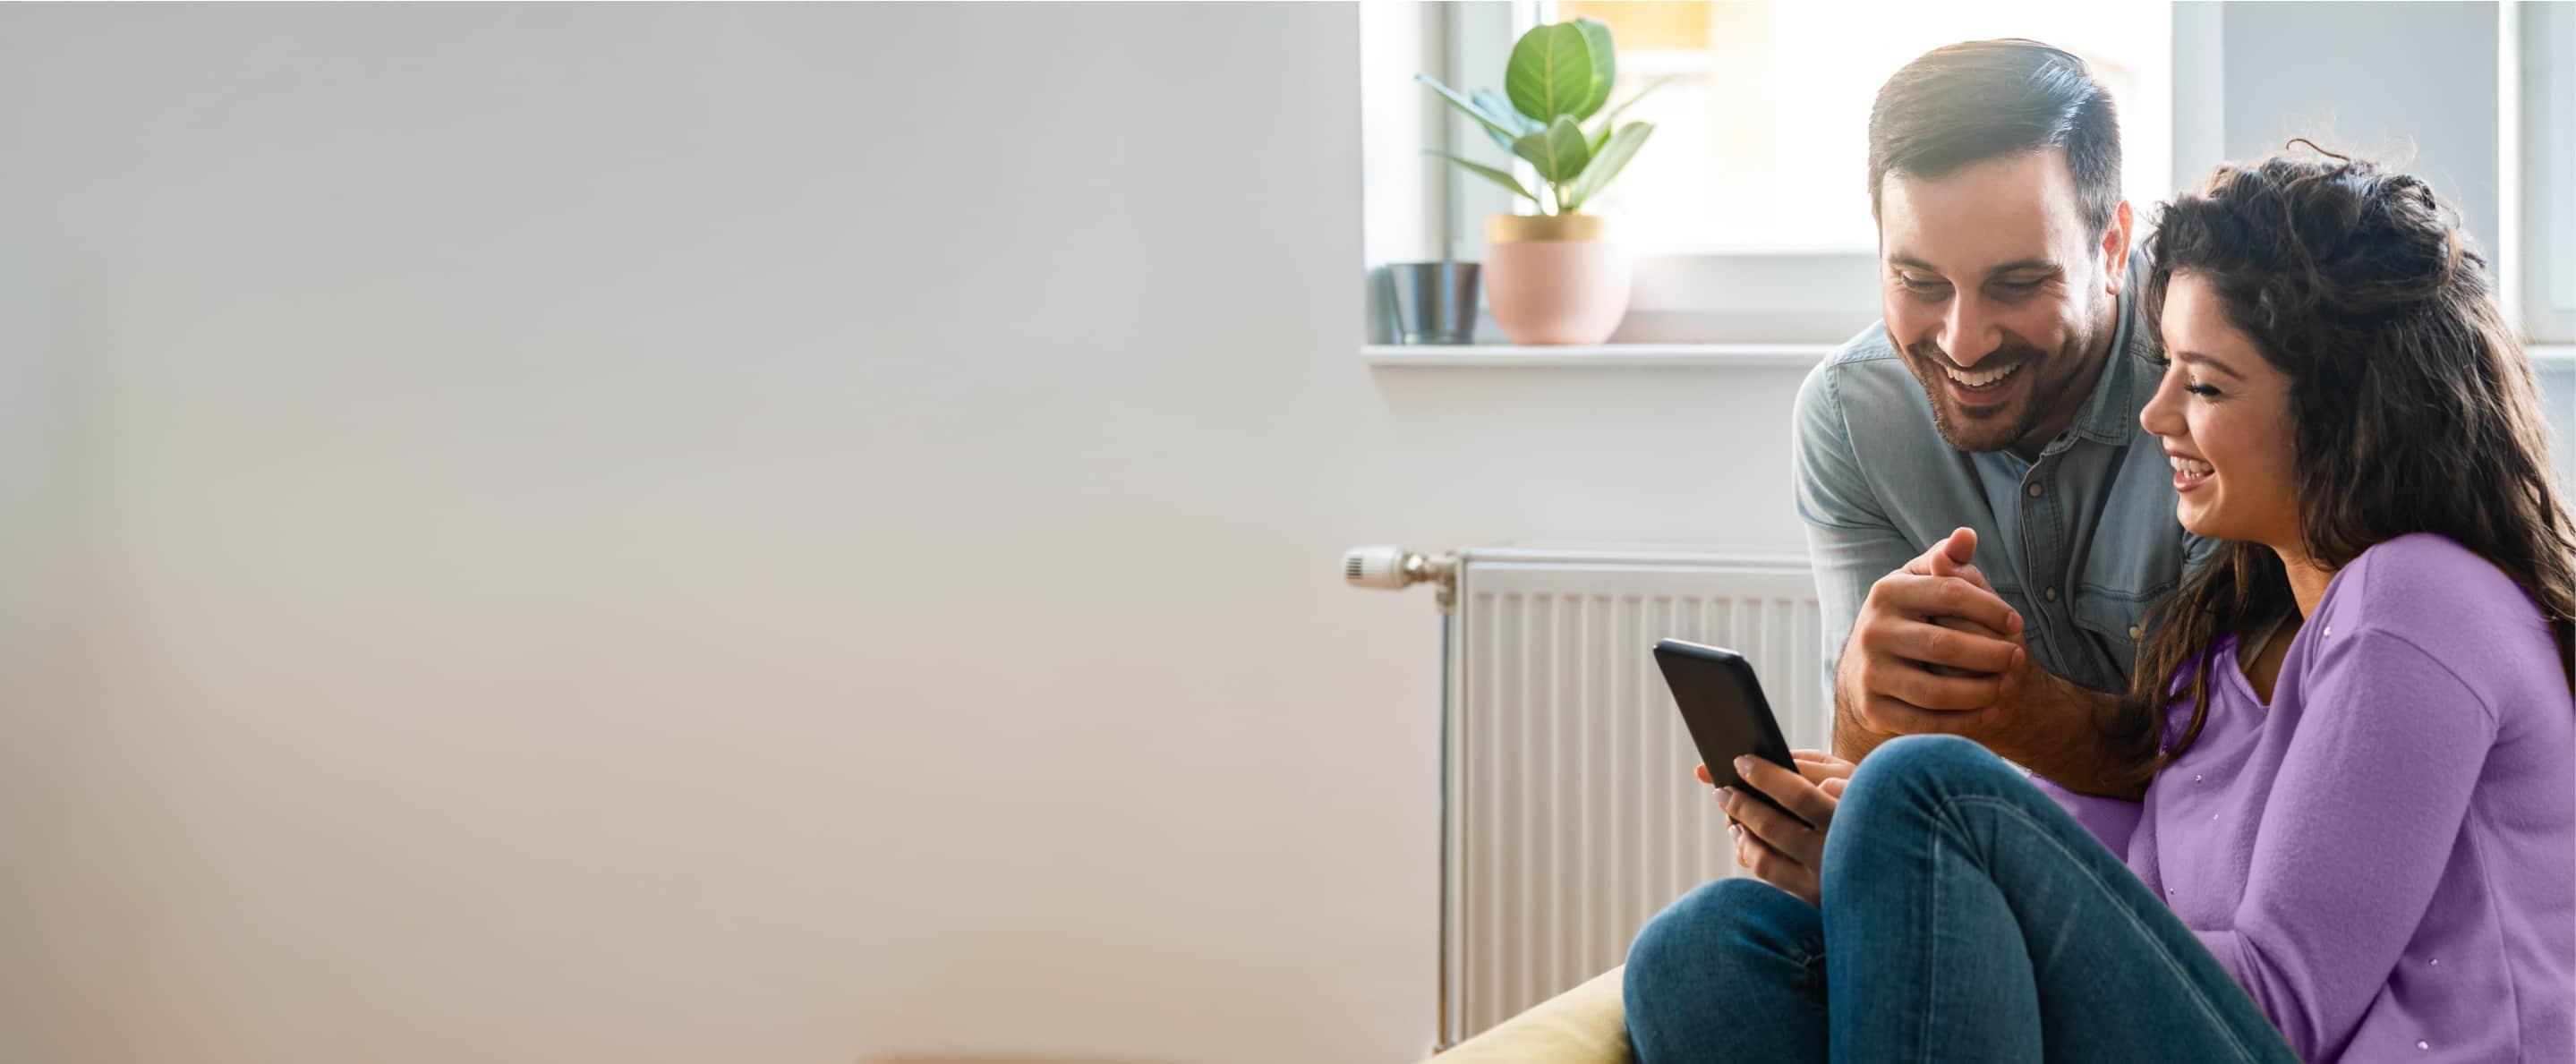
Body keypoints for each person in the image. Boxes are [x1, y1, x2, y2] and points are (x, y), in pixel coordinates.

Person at [1627, 144, 2576, 1060]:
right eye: (2162, 367)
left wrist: (1930, 851)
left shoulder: (2419, 596)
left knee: (1924, 788)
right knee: (1709, 948)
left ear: (2342, 412)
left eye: (2202, 383)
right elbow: (2100, 925)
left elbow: (2281, 1009)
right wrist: (1878, 876)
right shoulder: (2211, 662)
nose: (2157, 413)